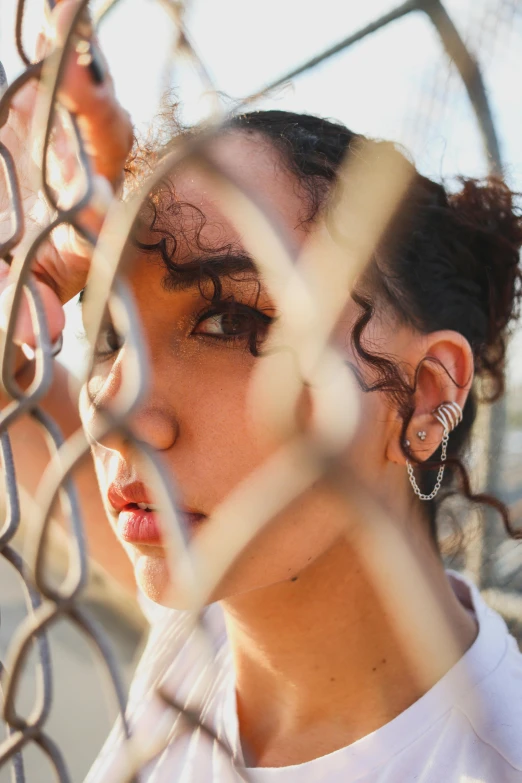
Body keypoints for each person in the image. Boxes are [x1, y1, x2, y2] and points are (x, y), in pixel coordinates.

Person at [1, 3, 522, 781]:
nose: (110, 410)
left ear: (423, 394)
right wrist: (35, 255)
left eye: (227, 318)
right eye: (111, 328)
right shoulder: (209, 625)